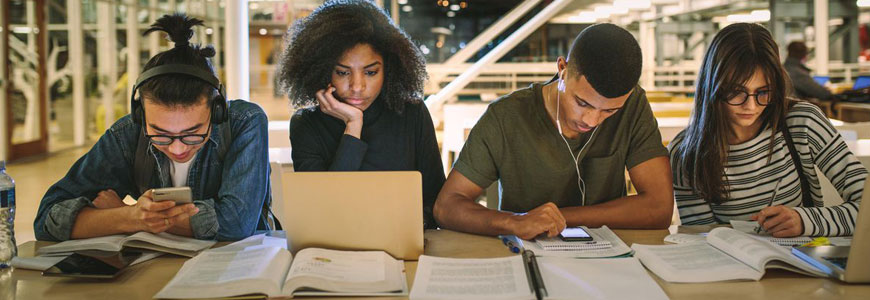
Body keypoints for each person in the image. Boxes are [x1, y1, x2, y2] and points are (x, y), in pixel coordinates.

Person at [34, 14, 272, 241]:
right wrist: (130, 217)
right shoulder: (128, 133)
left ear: (217, 110)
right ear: (140, 114)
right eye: (160, 134)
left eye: (192, 134)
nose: (178, 149)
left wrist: (125, 214)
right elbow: (48, 219)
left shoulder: (244, 122)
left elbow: (236, 224)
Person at [432, 24, 673, 240]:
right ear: (562, 69)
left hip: (609, 260)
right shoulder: (506, 117)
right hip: (527, 257)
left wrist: (562, 218)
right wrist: (515, 221)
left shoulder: (634, 105)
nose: (592, 120)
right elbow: (446, 207)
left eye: (610, 111)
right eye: (582, 103)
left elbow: (659, 208)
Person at [669, 23, 867, 237]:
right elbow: (704, 238)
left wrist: (805, 221)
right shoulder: (686, 153)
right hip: (733, 267)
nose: (751, 106)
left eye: (764, 92)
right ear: (712, 87)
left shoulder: (803, 122)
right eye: (736, 92)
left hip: (805, 265)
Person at [277, 0, 445, 229]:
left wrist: (408, 226)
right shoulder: (306, 125)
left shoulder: (411, 113)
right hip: (334, 250)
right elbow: (325, 211)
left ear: (390, 69)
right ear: (322, 69)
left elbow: (436, 202)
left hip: (402, 244)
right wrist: (353, 125)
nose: (357, 86)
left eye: (370, 72)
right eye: (343, 72)